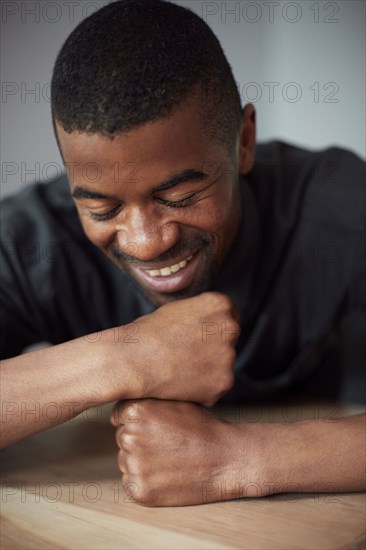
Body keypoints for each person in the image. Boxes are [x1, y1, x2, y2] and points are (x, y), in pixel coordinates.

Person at [1, 0, 365, 506]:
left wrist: (237, 459)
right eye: (103, 209)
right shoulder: (28, 242)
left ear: (243, 142)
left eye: (178, 198)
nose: (146, 242)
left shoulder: (339, 206)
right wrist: (120, 358)